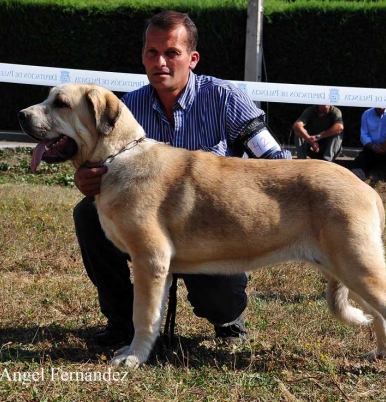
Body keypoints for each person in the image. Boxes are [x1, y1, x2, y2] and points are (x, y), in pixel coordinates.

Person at [73, 11, 291, 346]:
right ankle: (122, 322)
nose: (160, 61)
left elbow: (275, 161)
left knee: (218, 300)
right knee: (88, 213)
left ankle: (229, 320)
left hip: (212, 227)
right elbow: (101, 168)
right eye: (151, 52)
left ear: (192, 59)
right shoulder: (128, 108)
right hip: (149, 227)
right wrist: (87, 179)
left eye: (171, 53)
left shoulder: (225, 98)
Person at [350, 107, 386, 180]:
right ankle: (358, 179)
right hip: (372, 148)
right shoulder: (366, 114)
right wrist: (373, 147)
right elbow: (364, 135)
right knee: (357, 164)